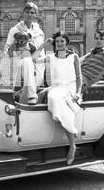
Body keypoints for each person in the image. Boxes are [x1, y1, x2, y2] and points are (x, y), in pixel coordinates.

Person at [34, 32, 82, 165]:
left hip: (70, 89)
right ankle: (72, 133)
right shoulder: (50, 57)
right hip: (56, 88)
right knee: (55, 98)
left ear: (66, 42)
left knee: (59, 100)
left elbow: (79, 77)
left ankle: (72, 145)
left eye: (62, 41)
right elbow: (33, 59)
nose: (59, 44)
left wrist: (78, 92)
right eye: (57, 42)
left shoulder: (74, 57)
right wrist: (45, 44)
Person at [4, 2, 45, 104]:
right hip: (20, 60)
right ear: (23, 13)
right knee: (27, 62)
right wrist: (17, 43)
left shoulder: (40, 32)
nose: (30, 14)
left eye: (32, 12)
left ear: (36, 15)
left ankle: (22, 99)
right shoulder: (15, 30)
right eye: (27, 12)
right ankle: (31, 96)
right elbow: (7, 51)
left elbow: (41, 51)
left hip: (37, 61)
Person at [80, 29, 104, 102]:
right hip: (75, 76)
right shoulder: (91, 53)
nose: (99, 41)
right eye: (97, 38)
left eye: (102, 39)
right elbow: (78, 61)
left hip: (83, 82)